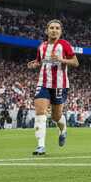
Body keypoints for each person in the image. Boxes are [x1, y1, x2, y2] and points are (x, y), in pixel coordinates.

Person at [26, 20, 78, 156]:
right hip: (43, 84)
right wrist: (34, 64)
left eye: (57, 28)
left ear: (60, 31)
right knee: (40, 112)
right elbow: (39, 61)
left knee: (56, 117)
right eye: (51, 28)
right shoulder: (41, 46)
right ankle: (40, 146)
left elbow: (75, 62)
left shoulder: (64, 45)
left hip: (60, 85)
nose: (54, 30)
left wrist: (62, 60)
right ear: (46, 30)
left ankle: (63, 129)